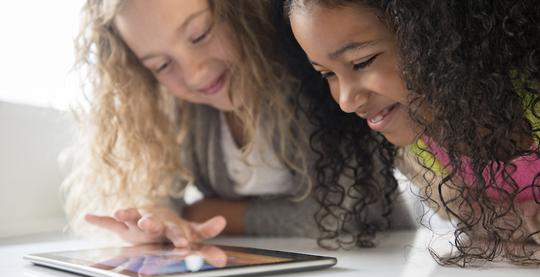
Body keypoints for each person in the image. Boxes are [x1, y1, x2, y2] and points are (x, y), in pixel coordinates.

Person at [63, 0, 411, 248]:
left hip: (380, 261)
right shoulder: (183, 112)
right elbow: (165, 201)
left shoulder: (313, 81)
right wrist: (161, 220)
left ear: (240, 9)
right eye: (161, 65)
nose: (194, 73)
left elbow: (343, 213)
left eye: (199, 35)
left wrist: (212, 213)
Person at [286, 0, 540, 265]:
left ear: (439, 37)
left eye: (362, 62)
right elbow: (476, 221)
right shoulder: (420, 147)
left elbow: (494, 224)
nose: (346, 101)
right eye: (327, 73)